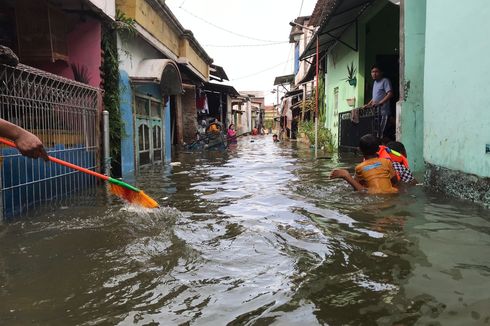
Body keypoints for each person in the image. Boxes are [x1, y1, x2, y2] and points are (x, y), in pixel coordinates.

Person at [330, 134, 398, 194]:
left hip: (371, 194)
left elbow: (356, 187)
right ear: (378, 149)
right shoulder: (386, 162)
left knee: (362, 190)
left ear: (360, 150)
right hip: (391, 192)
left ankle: (346, 176)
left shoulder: (360, 167)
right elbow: (395, 181)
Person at [363, 65, 393, 139]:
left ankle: (385, 148)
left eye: (376, 72)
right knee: (377, 133)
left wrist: (380, 103)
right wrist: (368, 105)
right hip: (376, 113)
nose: (374, 74)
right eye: (372, 72)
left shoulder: (385, 81)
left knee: (382, 133)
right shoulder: (375, 83)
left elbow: (390, 94)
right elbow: (374, 97)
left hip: (383, 113)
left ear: (381, 73)